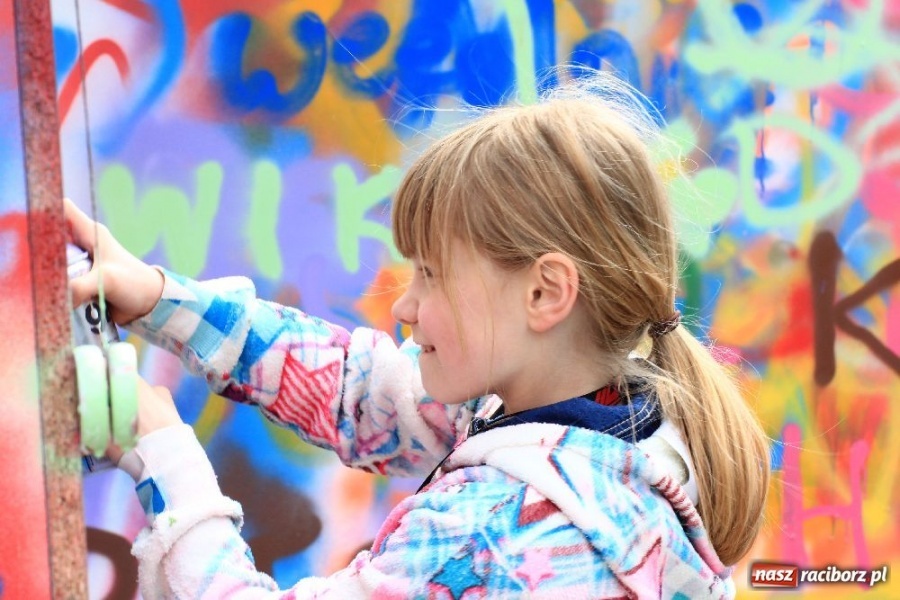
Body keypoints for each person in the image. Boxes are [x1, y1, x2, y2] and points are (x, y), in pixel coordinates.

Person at [67, 76, 770, 599]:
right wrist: (162, 299)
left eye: (433, 276)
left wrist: (166, 462)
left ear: (544, 293)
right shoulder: (624, 429)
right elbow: (358, 388)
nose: (405, 304)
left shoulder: (491, 531)